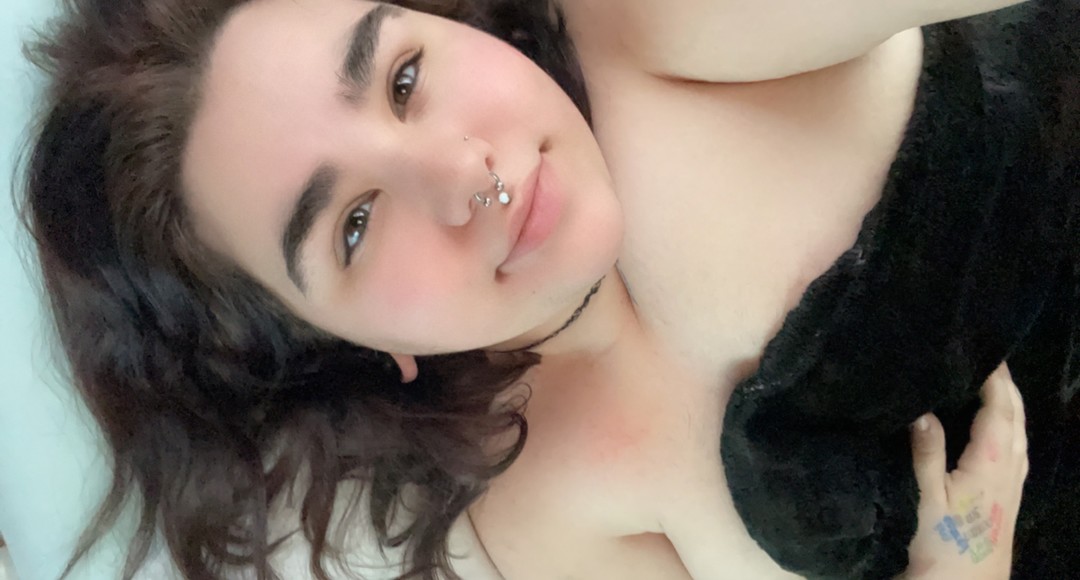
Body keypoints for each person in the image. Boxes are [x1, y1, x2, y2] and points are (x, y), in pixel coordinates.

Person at [16, 0, 1050, 578]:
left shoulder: (650, 29)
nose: (462, 174)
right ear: (336, 341)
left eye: (404, 78)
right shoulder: (544, 520)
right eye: (356, 224)